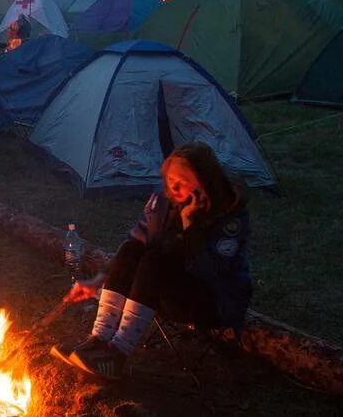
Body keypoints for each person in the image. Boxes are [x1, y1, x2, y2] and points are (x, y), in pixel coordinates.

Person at [52, 143, 252, 381]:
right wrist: (98, 280)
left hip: (209, 301)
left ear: (204, 180)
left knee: (153, 260)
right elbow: (137, 240)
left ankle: (118, 354)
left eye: (182, 181)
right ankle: (99, 342)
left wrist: (190, 227)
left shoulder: (229, 215)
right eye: (170, 180)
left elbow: (212, 272)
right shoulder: (165, 200)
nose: (173, 188)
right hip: (159, 291)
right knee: (131, 250)